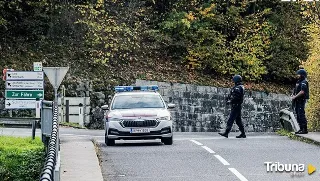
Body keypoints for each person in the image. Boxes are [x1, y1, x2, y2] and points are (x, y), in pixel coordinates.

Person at [292, 69, 309, 134]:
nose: (297, 75)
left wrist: (295, 97)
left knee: (301, 114)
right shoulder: (298, 82)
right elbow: (296, 89)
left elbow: (302, 92)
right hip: (297, 101)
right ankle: (301, 129)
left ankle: (304, 129)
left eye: (298, 74)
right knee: (298, 115)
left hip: (301, 100)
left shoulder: (304, 82)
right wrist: (293, 94)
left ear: (302, 75)